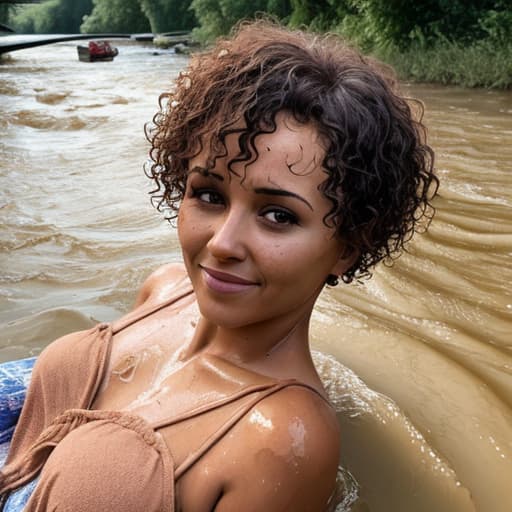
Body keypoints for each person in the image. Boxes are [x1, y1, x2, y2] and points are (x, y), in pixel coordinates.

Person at [0, 19, 437, 512]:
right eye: (208, 194)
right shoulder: (163, 289)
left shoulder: (284, 440)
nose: (222, 243)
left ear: (348, 247)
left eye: (278, 215)